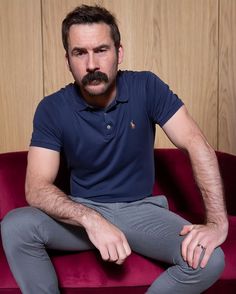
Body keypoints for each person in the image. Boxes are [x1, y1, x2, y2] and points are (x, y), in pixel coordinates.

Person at [1, 4, 228, 294]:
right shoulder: (52, 109)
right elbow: (36, 188)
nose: (92, 64)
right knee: (16, 225)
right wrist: (92, 220)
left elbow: (197, 145)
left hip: (142, 212)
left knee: (209, 261)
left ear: (119, 53)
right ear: (67, 60)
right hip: (83, 211)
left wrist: (217, 223)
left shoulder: (147, 86)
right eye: (79, 53)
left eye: (101, 50)